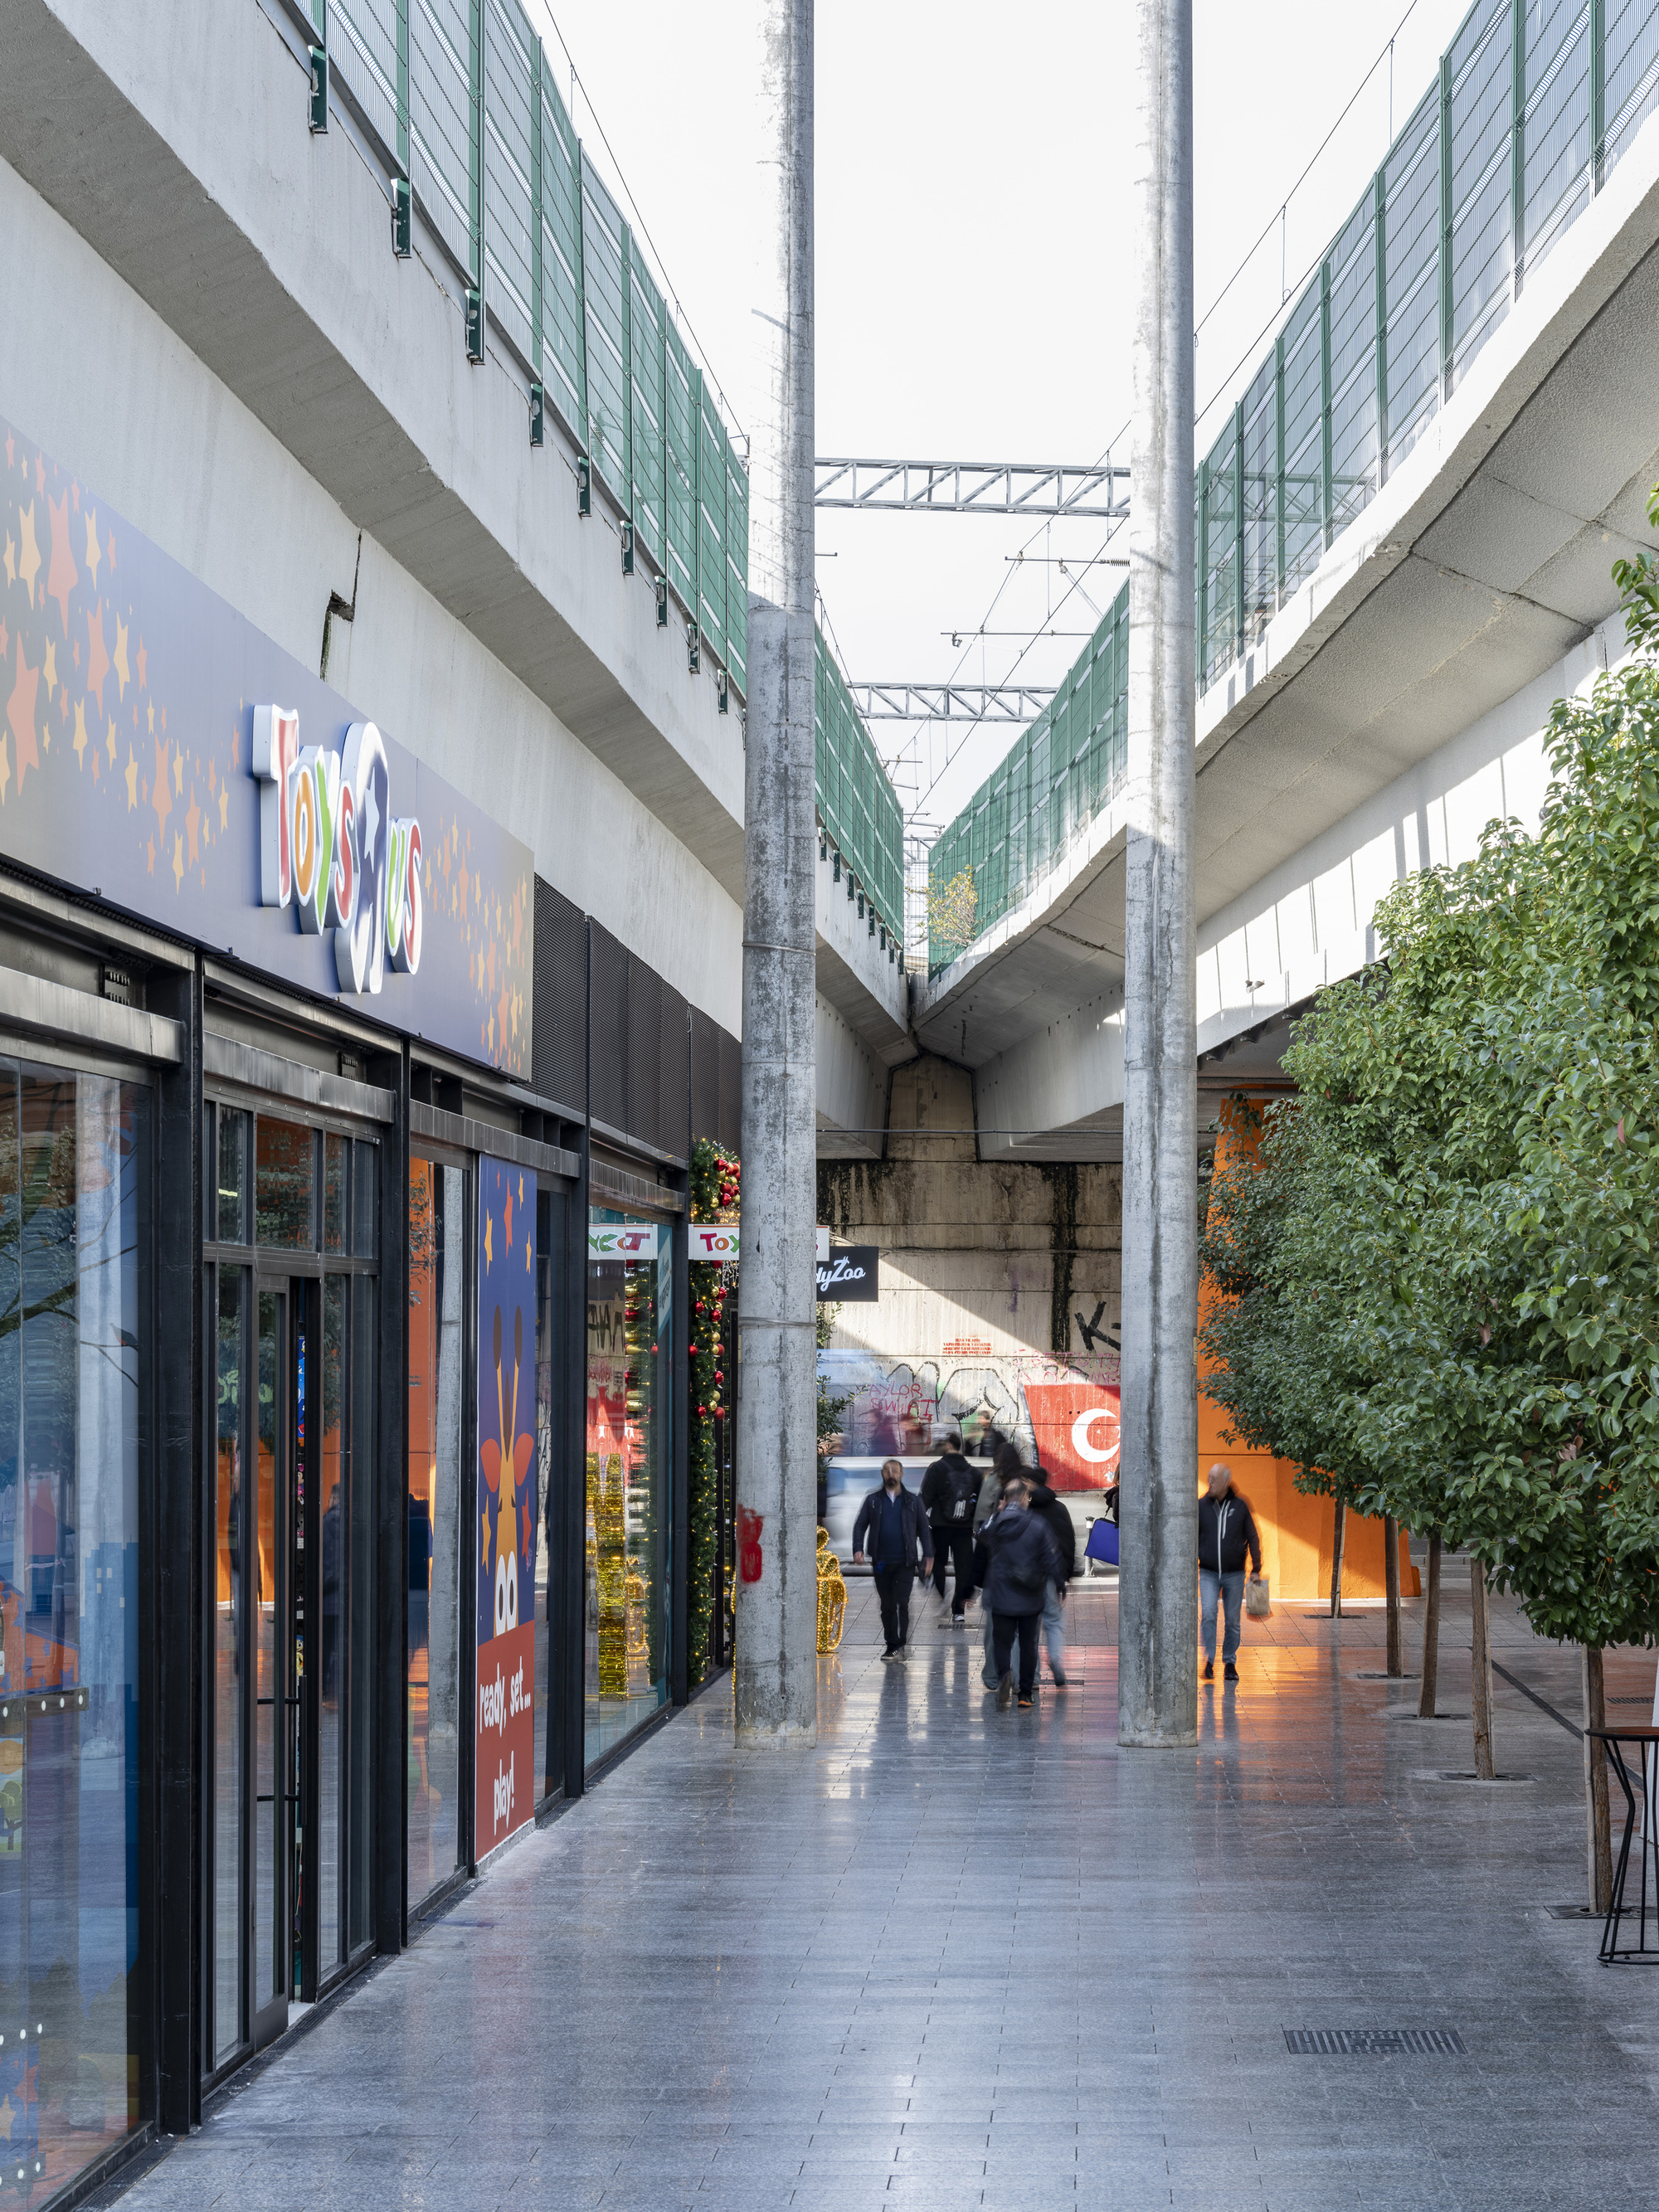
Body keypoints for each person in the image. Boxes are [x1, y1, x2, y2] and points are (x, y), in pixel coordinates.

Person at [979, 1478, 1061, 1709]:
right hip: (1030, 1596)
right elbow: (1050, 1557)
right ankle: (1025, 1694)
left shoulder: (996, 1524)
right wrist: (1060, 1584)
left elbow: (981, 1535)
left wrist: (998, 1513)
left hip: (1001, 1595)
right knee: (1027, 1645)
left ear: (1005, 1499)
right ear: (1025, 1498)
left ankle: (1005, 1673)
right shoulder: (1038, 1524)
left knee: (1002, 1642)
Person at [853, 1459, 934, 1661]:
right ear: (882, 1474)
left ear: (901, 1474)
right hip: (881, 1562)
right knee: (887, 1604)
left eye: (895, 1470)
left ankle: (899, 1644)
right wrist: (858, 1549)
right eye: (887, 1471)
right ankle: (891, 1642)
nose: (891, 1474)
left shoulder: (913, 1501)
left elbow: (924, 1529)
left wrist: (928, 1555)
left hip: (905, 1562)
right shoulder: (873, 1500)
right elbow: (860, 1525)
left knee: (902, 1602)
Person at [1198, 1461, 1262, 1682]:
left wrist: (1256, 1568)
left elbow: (1252, 1536)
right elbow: (1192, 1537)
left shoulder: (1240, 1506)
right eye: (1209, 1478)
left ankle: (1230, 1663)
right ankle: (1209, 1660)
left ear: (1225, 1481)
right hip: (1207, 1572)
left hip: (1235, 1574)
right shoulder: (1201, 1506)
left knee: (1232, 1621)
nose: (1210, 1483)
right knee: (1208, 1615)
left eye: (1214, 1479)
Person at [920, 1432, 978, 1625]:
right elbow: (980, 1503)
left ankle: (943, 1595)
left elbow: (925, 1499)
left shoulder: (936, 1469)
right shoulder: (974, 1472)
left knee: (937, 1563)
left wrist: (918, 1523)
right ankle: (958, 1610)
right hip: (964, 1527)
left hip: (940, 1526)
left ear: (947, 1445)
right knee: (964, 1568)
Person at [1026, 1471, 1076, 1686]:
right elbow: (1068, 1544)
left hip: (1027, 1576)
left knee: (1029, 1627)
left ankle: (1033, 1676)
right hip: (1051, 1576)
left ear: (1030, 1483)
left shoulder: (1025, 1507)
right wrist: (1066, 1577)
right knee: (1054, 1622)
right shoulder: (1059, 1508)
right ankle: (1055, 1657)